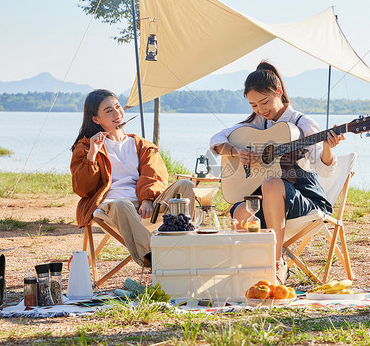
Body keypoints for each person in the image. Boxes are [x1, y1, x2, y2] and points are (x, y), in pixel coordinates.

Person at [209, 61, 344, 284]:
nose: (261, 110)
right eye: (253, 106)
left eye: (264, 102)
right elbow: (217, 139)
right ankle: (251, 269)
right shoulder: (258, 123)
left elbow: (325, 170)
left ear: (279, 92)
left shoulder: (302, 124)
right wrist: (235, 151)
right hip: (269, 201)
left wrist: (328, 147)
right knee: (240, 211)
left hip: (304, 199)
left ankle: (276, 263)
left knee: (271, 183)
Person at [71, 89, 194, 267]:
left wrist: (147, 199)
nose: (117, 113)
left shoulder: (141, 145)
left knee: (185, 185)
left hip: (147, 208)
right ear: (96, 119)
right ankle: (156, 260)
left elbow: (153, 174)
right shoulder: (85, 147)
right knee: (122, 203)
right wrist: (92, 155)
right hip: (113, 210)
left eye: (118, 107)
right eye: (108, 111)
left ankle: (184, 245)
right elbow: (83, 189)